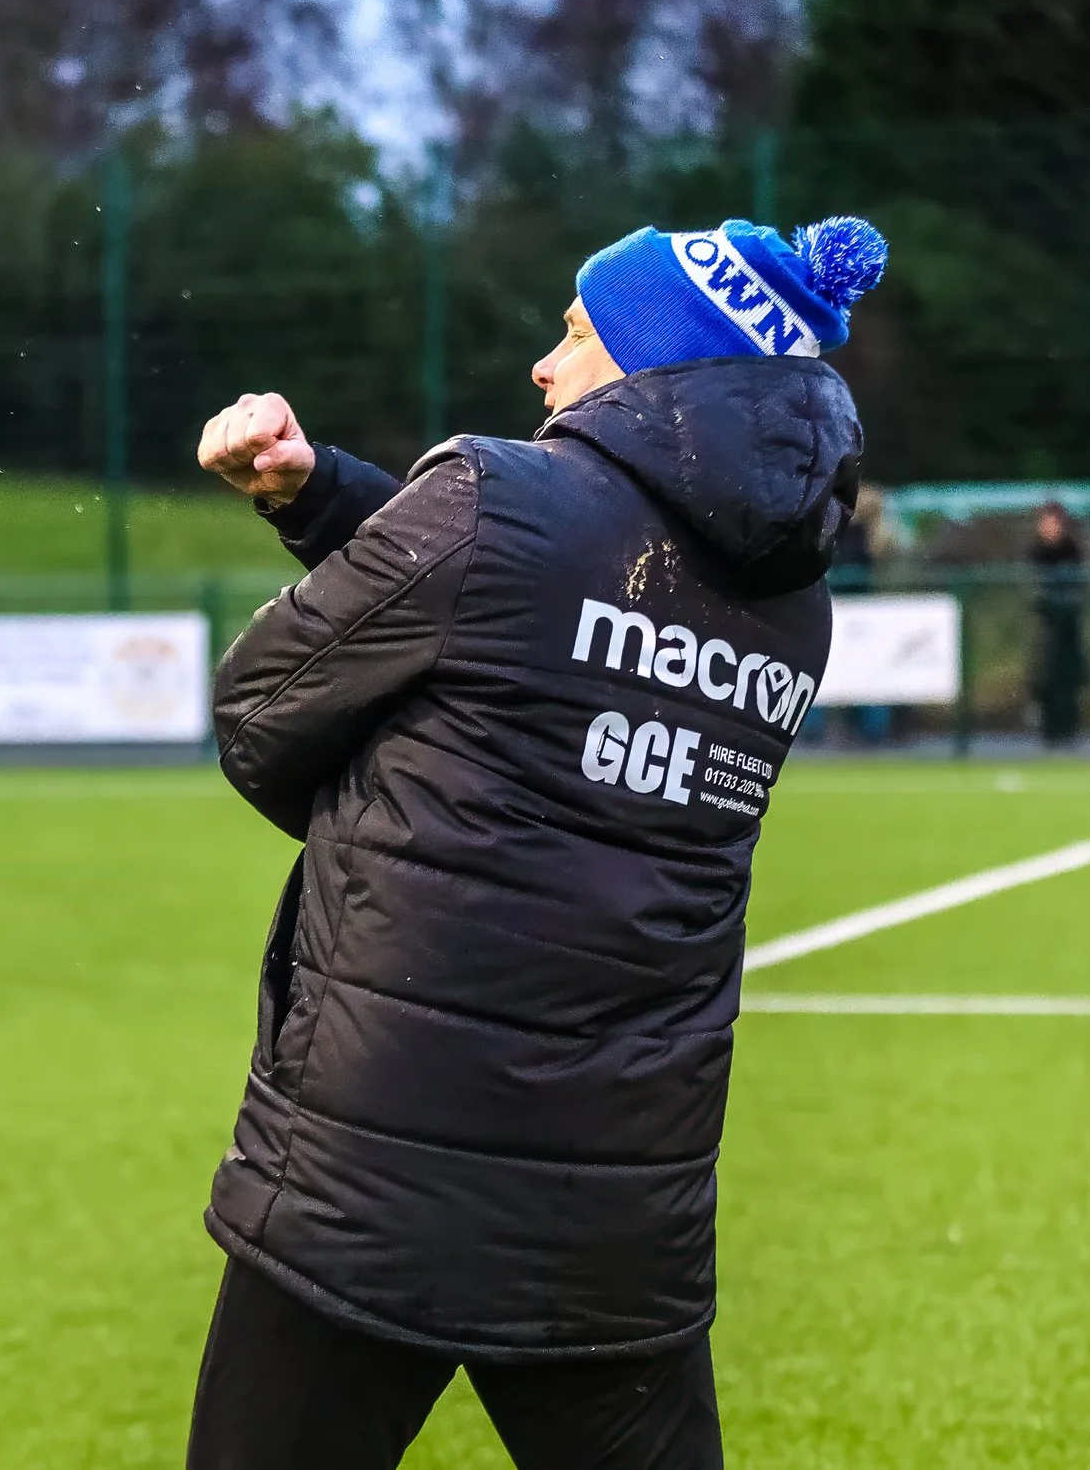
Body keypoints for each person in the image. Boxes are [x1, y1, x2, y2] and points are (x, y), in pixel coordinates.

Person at [186, 214, 884, 1470]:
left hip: (378, 1165)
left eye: (572, 331)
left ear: (650, 365)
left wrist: (414, 805)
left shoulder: (488, 493)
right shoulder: (796, 606)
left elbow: (257, 712)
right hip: (619, 1198)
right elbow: (541, 590)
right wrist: (325, 492)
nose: (542, 367)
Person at [832, 485, 893, 744]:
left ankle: (818, 734)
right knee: (871, 676)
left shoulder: (849, 534)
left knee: (832, 673)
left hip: (846, 612)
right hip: (869, 614)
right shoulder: (880, 537)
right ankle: (872, 730)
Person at [1027, 501, 1088, 747]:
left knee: (1068, 677)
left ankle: (1068, 731)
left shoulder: (1072, 551)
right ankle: (1049, 732)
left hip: (1068, 626)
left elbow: (1080, 589)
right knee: (1045, 678)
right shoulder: (1036, 553)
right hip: (1047, 627)